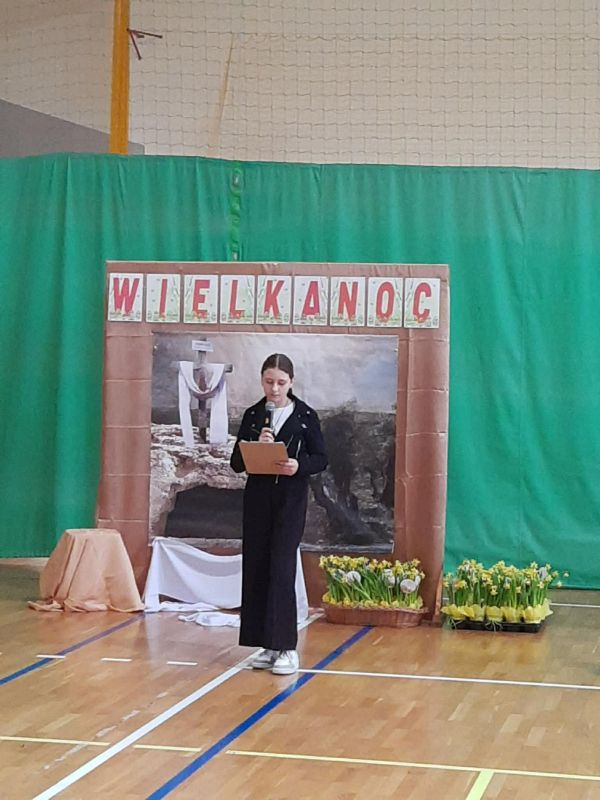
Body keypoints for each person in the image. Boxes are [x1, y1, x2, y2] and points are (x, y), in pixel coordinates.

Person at [230, 353, 328, 675]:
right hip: (258, 501)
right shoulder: (254, 415)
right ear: (261, 380)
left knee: (282, 569)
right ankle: (266, 644)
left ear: (291, 382)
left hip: (289, 501)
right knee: (258, 567)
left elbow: (321, 458)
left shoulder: (305, 416)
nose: (274, 389)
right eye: (269, 382)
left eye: (281, 383)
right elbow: (236, 463)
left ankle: (287, 646)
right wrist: (255, 444)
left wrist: (299, 465)